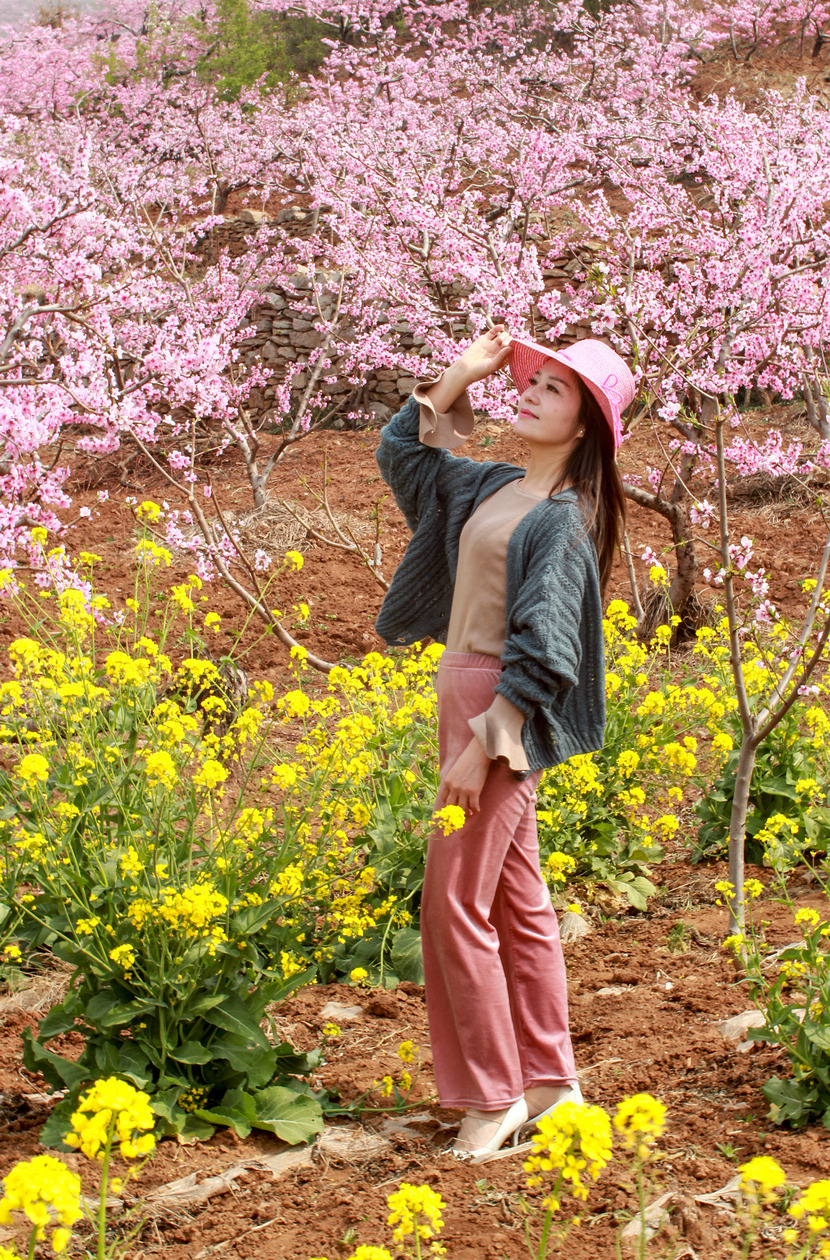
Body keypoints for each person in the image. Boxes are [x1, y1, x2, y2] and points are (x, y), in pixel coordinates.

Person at [374, 326, 634, 1161]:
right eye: (530, 381)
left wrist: (487, 742)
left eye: (552, 389)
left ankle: (493, 1097)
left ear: (588, 423)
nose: (527, 393)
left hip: (496, 710)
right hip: (467, 693)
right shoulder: (492, 485)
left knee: (452, 905)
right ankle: (552, 1086)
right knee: (520, 904)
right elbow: (404, 459)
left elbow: (547, 651)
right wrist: (458, 374)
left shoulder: (560, 520)